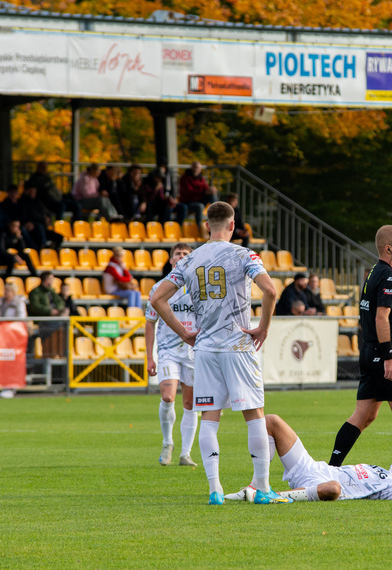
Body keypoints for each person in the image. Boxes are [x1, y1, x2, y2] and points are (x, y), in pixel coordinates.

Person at [151, 201, 287, 506]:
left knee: (210, 416)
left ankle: (215, 490)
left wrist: (183, 333)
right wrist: (263, 327)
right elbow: (270, 290)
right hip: (238, 344)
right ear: (233, 225)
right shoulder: (242, 254)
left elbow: (157, 297)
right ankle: (263, 487)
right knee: (254, 415)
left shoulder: (190, 259)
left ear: (206, 226)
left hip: (205, 349)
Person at [224, 414, 392, 503]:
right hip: (313, 467)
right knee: (271, 421)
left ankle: (273, 494)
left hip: (322, 484)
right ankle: (257, 484)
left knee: (333, 489)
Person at [328, 225, 392, 467]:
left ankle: (331, 469)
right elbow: (381, 318)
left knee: (364, 415)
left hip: (368, 350)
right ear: (389, 248)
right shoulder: (388, 276)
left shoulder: (374, 271)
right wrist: (389, 357)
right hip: (385, 352)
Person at [145, 243, 199, 467]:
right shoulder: (159, 288)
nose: (182, 256)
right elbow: (149, 323)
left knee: (190, 402)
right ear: (171, 260)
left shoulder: (199, 288)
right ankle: (168, 442)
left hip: (193, 351)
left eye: (186, 254)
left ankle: (185, 454)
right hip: (168, 350)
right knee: (168, 396)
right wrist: (149, 357)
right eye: (178, 253)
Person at [18, 184, 62, 250]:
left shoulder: (38, 202)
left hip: (42, 227)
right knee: (39, 227)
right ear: (27, 191)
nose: (33, 193)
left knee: (59, 237)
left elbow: (47, 212)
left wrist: (48, 218)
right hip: (33, 228)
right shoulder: (22, 202)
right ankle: (42, 248)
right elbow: (31, 216)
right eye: (32, 191)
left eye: (34, 191)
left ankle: (51, 251)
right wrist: (43, 219)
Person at [178, 161, 218, 228]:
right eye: (195, 167)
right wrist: (204, 192)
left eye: (198, 168)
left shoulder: (201, 178)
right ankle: (198, 227)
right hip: (188, 202)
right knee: (200, 206)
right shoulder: (185, 178)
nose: (196, 169)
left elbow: (206, 188)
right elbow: (189, 192)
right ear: (191, 168)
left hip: (199, 200)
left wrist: (211, 190)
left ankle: (216, 214)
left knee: (212, 194)